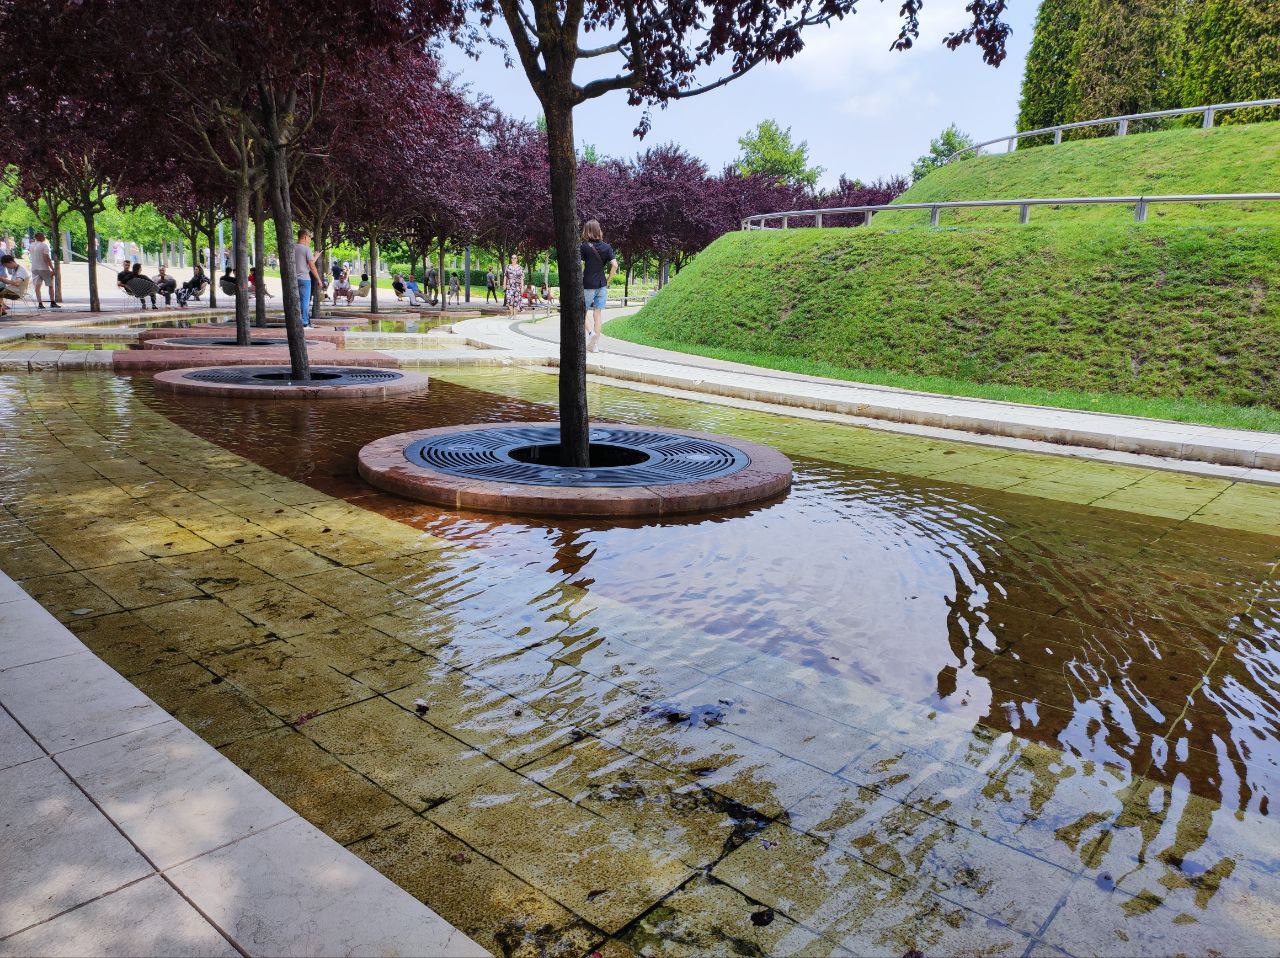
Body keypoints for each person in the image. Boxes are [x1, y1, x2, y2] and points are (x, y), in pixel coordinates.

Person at [580, 218, 618, 351]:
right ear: (598, 230)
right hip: (602, 284)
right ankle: (595, 346)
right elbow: (615, 265)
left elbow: (579, 265)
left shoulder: (584, 247)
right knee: (598, 314)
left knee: (581, 312)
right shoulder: (607, 247)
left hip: (588, 284)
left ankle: (591, 334)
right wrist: (609, 280)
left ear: (587, 231)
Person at [294, 228, 320, 326]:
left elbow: (306, 265)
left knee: (295, 301)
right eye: (309, 237)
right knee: (305, 301)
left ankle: (297, 320)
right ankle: (304, 322)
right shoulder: (306, 249)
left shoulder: (291, 248)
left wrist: (315, 257)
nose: (310, 239)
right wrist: (319, 279)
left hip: (293, 279)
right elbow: (312, 267)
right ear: (305, 237)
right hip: (304, 279)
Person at [28, 232, 58, 309]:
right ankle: (52, 302)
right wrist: (52, 268)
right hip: (44, 268)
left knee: (37, 286)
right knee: (50, 285)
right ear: (39, 237)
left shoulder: (31, 245)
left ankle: (40, 304)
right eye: (43, 236)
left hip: (34, 268)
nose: (44, 237)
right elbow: (46, 258)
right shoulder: (44, 246)